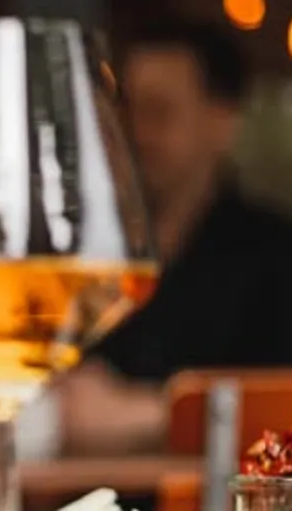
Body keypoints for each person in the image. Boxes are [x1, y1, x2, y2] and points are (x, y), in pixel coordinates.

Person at [52, 16, 292, 456]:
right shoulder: (80, 250)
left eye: (159, 112)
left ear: (224, 122)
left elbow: (280, 415)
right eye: (128, 109)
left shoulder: (277, 255)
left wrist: (149, 412)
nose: (137, 132)